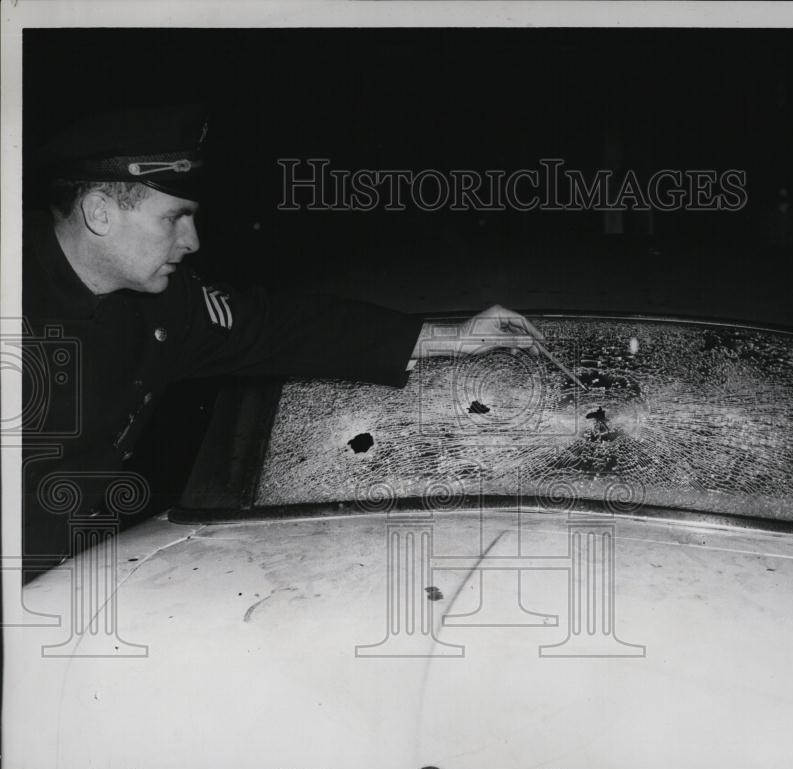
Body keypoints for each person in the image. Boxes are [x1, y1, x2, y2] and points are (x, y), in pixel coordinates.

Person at [21, 104, 544, 582]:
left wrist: (448, 336)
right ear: (100, 212)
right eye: (174, 218)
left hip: (72, 569)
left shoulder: (165, 302)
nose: (192, 241)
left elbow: (282, 327)